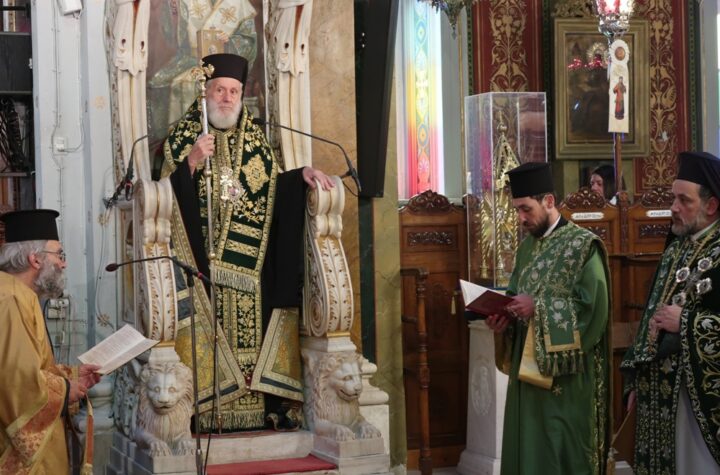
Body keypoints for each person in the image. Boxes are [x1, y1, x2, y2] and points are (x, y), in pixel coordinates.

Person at [161, 53, 333, 432]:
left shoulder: (256, 141)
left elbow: (273, 189)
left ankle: (257, 411)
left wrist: (300, 176)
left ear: (242, 95)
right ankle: (209, 414)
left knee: (251, 342)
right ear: (205, 93)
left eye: (233, 91)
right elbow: (165, 195)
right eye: (219, 90)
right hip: (203, 267)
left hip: (250, 268)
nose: (226, 98)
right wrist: (191, 162)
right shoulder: (184, 138)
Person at [484, 162, 611, 475]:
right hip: (527, 376)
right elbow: (514, 296)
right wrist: (503, 321)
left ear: (549, 201)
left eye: (526, 209)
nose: (520, 218)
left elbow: (593, 309)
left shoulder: (584, 246)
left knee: (559, 453)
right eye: (517, 210)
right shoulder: (527, 249)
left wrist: (538, 308)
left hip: (566, 381)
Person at [621, 151, 720, 473]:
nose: (673, 208)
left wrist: (687, 321)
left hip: (699, 403)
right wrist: (635, 380)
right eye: (673, 198)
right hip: (657, 393)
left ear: (711, 205)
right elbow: (650, 316)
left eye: (683, 200)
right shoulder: (675, 249)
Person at [0, 209, 101, 474]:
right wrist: (67, 390)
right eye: (59, 254)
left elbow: (33, 366)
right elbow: (17, 381)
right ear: (35, 259)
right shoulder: (12, 300)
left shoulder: (18, 294)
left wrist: (73, 375)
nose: (63, 264)